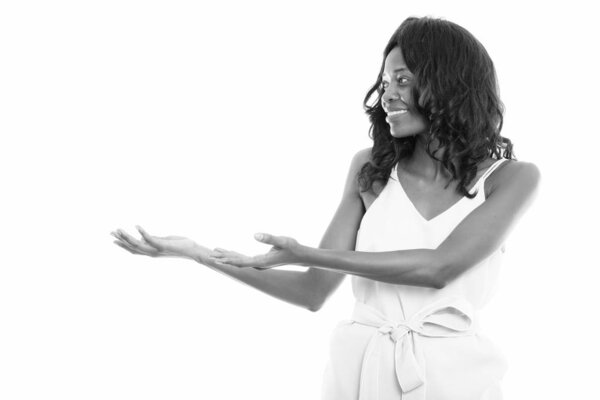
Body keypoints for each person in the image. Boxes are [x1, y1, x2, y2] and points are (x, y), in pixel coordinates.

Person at [112, 16, 540, 400]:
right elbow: (313, 291)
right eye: (385, 81)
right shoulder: (370, 169)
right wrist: (197, 253)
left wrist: (305, 253)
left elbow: (438, 268)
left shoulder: (511, 178)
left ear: (448, 83)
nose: (387, 93)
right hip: (358, 373)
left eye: (403, 79)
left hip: (458, 380)